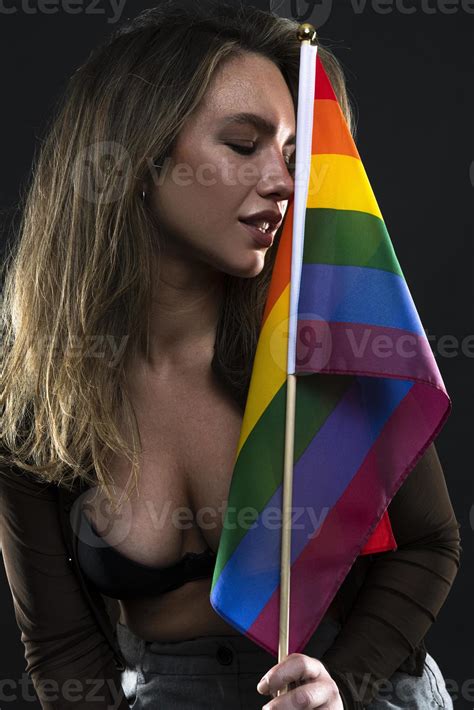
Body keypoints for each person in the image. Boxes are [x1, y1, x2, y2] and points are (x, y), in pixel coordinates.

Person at [0, 1, 461, 708]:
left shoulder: (322, 339)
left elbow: (431, 541)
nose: (282, 182)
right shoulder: (40, 395)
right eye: (244, 145)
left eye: (290, 154)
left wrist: (343, 684)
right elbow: (61, 647)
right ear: (139, 161)